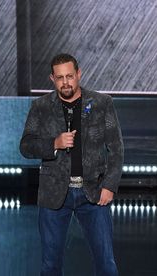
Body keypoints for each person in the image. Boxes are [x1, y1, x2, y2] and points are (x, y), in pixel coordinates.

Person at [20, 53, 123, 276]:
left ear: (79, 74)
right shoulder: (41, 106)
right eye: (60, 78)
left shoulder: (101, 103)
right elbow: (26, 146)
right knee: (50, 265)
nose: (65, 82)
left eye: (69, 76)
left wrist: (110, 185)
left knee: (106, 263)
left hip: (93, 193)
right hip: (54, 193)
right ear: (52, 78)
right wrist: (53, 143)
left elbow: (116, 148)